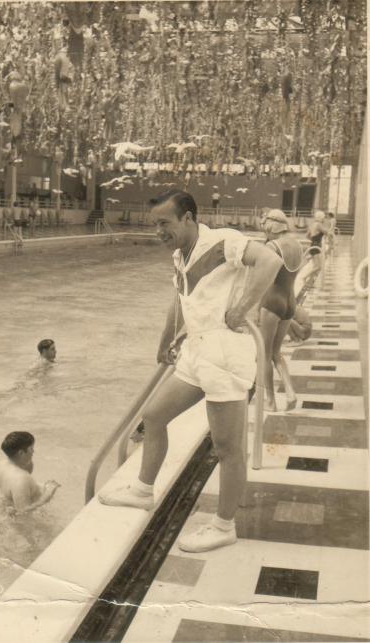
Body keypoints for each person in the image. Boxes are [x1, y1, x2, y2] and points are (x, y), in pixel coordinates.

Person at [99, 189, 283, 553]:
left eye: (164, 224)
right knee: (153, 416)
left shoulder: (222, 242)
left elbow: (269, 263)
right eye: (155, 225)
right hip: (196, 352)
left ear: (188, 218)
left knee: (227, 447)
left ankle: (223, 525)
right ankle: (142, 490)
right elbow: (178, 301)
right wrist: (165, 339)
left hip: (225, 353)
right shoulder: (181, 256)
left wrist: (240, 309)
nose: (158, 232)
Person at [259, 209, 303, 412]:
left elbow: (261, 279)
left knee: (265, 354)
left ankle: (270, 401)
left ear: (271, 226)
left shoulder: (272, 245)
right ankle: (291, 393)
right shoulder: (297, 244)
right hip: (290, 303)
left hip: (272, 301)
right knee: (277, 353)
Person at [0, 432, 60, 513]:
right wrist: (48, 493)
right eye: (31, 449)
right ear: (21, 453)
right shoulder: (21, 479)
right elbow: (24, 511)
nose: (33, 451)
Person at [304, 210, 328, 284]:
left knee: (315, 266)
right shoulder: (319, 224)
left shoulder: (313, 224)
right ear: (321, 218)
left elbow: (307, 236)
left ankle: (310, 281)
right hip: (316, 246)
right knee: (318, 267)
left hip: (313, 245)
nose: (324, 219)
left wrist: (313, 239)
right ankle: (304, 277)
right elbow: (326, 232)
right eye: (324, 217)